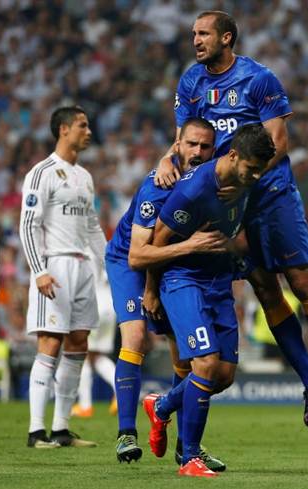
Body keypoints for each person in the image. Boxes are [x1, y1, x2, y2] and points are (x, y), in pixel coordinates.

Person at [154, 10, 308, 427]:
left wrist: (245, 181)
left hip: (270, 193)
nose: (195, 40)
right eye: (193, 34)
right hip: (228, 202)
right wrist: (166, 158)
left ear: (227, 38)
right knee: (265, 290)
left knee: (299, 281)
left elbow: (278, 142)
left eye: (204, 33)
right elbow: (184, 138)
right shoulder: (191, 82)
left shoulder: (259, 79)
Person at [143, 123, 274, 478]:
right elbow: (156, 242)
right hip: (182, 279)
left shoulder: (244, 181)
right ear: (233, 157)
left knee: (225, 375)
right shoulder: (194, 189)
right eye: (252, 168)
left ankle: (162, 405)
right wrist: (151, 290)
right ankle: (189, 459)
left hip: (218, 282)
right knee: (205, 363)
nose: (257, 175)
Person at [106, 117, 227, 469]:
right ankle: (126, 433)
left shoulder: (210, 182)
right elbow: (138, 254)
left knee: (185, 359)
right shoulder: (158, 187)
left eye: (205, 147)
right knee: (137, 336)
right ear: (178, 145)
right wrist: (151, 289)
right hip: (130, 262)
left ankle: (186, 446)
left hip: (168, 264)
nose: (198, 152)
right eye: (191, 145)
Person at [19, 106, 104, 449]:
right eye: (83, 125)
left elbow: (92, 225)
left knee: (79, 343)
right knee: (50, 343)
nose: (89, 131)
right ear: (64, 129)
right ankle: (36, 431)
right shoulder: (42, 173)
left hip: (83, 267)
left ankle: (62, 428)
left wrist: (110, 261)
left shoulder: (84, 177)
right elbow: (28, 225)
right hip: (54, 266)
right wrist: (39, 271)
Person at [71, 270, 117, 419]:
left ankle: (85, 405)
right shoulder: (108, 249)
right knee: (96, 356)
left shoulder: (86, 249)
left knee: (83, 355)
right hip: (110, 306)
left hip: (94, 305)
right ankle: (121, 395)